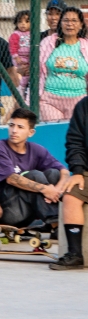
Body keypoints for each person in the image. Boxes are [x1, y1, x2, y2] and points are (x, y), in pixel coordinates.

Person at [0, 107, 69, 232]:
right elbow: (12, 179)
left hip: (27, 212)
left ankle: (54, 224)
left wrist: (56, 190)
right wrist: (46, 189)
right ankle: (57, 226)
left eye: (20, 127)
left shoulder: (36, 150)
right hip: (6, 212)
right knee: (34, 175)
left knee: (53, 174)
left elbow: (64, 172)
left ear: (31, 132)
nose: (14, 130)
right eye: (11, 125)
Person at [35, 7, 88, 122]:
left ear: (81, 25)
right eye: (66, 20)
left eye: (74, 21)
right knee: (55, 134)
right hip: (50, 100)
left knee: (74, 137)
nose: (70, 24)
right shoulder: (48, 42)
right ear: (61, 23)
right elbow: (37, 71)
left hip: (78, 100)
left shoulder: (86, 46)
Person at [55, 94, 88, 270]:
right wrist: (78, 171)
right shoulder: (83, 106)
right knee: (71, 196)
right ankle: (75, 254)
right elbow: (75, 142)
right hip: (87, 171)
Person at [10, 10, 32, 97]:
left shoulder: (32, 33)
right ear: (16, 23)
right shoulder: (16, 34)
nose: (23, 24)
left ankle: (26, 88)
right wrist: (16, 56)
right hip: (20, 58)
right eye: (20, 21)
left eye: (26, 21)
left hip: (29, 57)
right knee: (22, 73)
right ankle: (21, 89)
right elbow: (13, 47)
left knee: (28, 74)